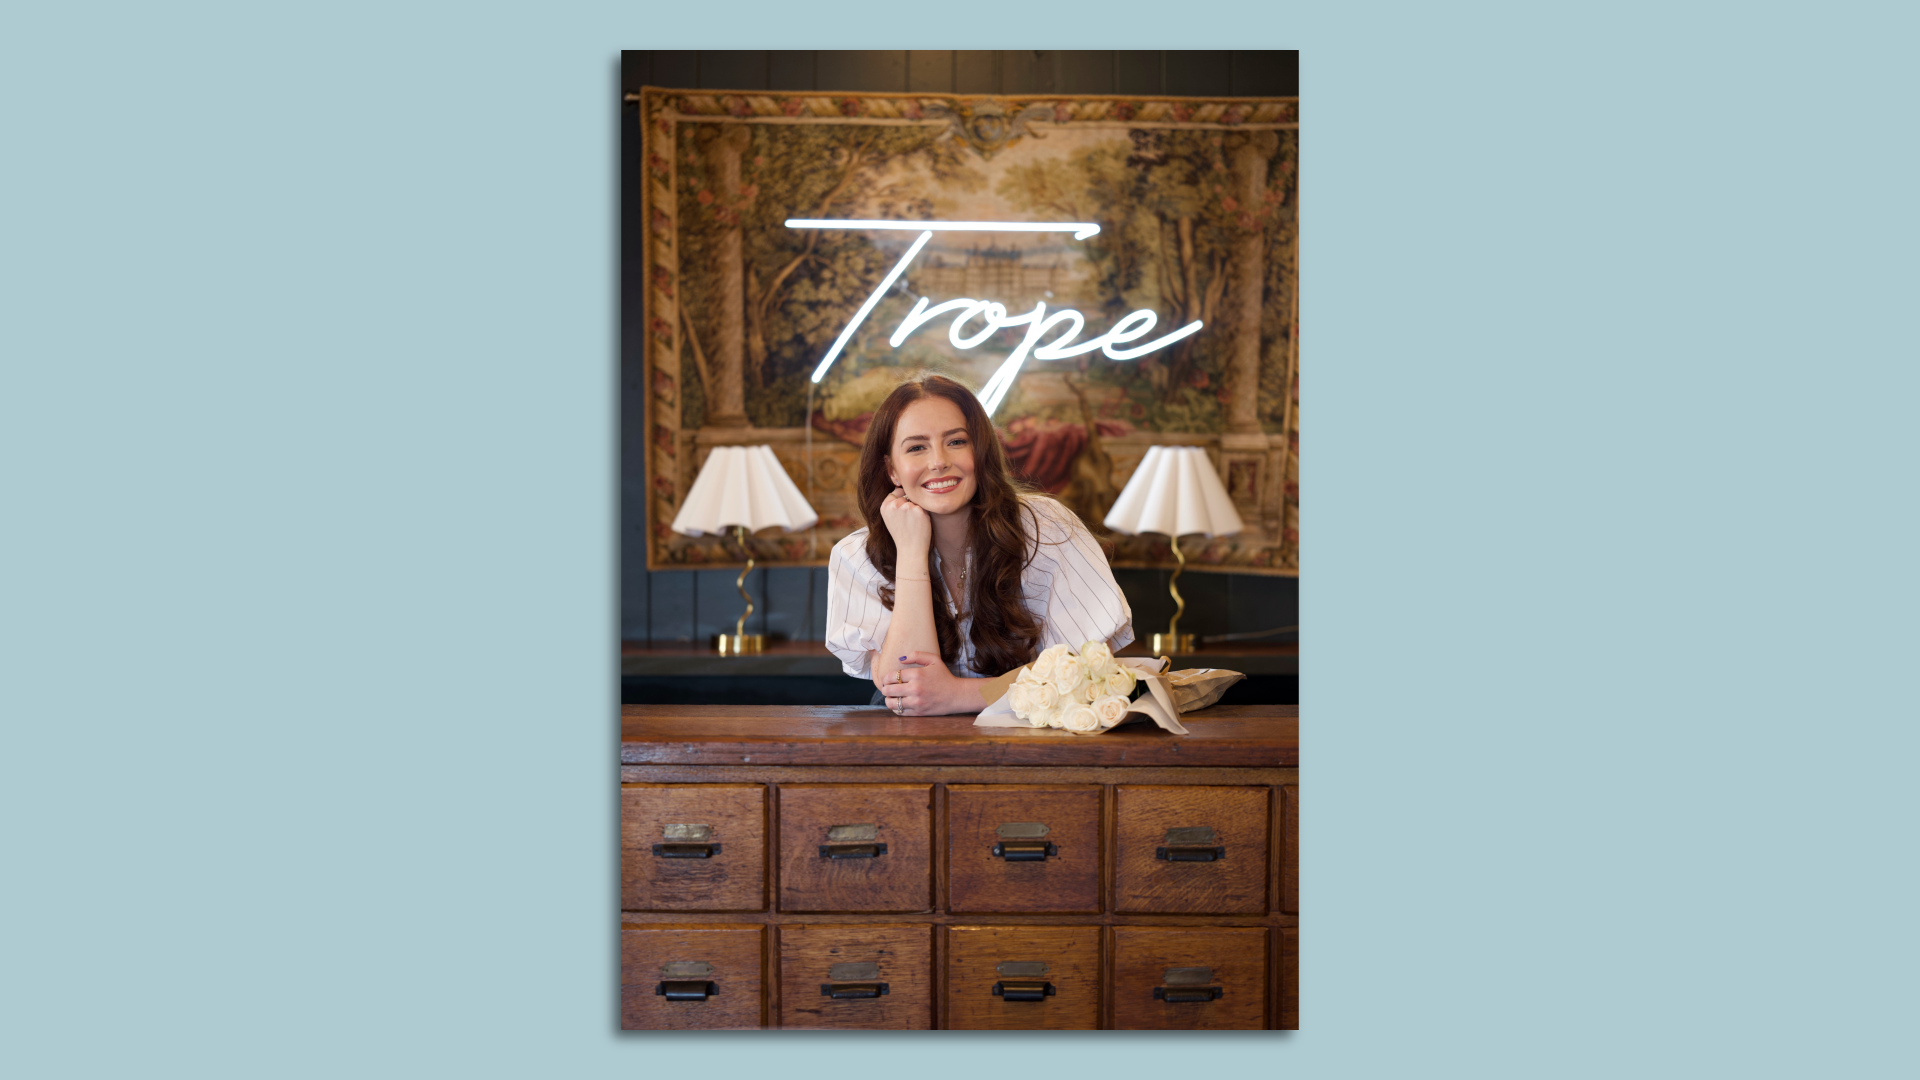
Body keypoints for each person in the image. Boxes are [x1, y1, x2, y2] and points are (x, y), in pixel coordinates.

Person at [825, 374, 1134, 715]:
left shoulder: (1047, 528)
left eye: (956, 441)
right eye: (916, 447)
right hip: (911, 745)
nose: (938, 461)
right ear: (892, 470)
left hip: (1033, 734)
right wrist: (911, 554)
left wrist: (960, 695)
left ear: (981, 450)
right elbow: (905, 690)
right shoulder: (856, 556)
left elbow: (1087, 671)